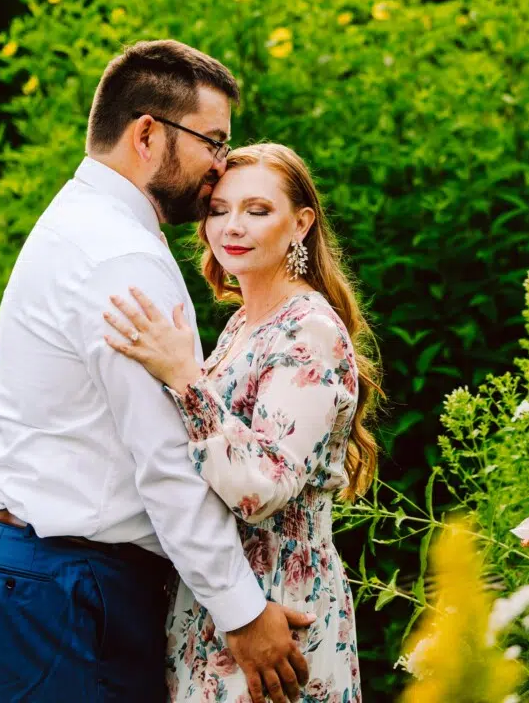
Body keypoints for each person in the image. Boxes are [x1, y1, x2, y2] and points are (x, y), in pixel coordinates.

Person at [0, 40, 313, 703]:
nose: (222, 164)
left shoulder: (83, 223)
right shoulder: (119, 257)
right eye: (214, 142)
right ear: (147, 134)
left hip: (43, 571)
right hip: (71, 583)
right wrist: (242, 612)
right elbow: (167, 458)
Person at [103, 142, 381, 702]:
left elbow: (260, 490)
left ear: (300, 224)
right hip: (221, 597)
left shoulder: (308, 329)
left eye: (257, 210)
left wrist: (186, 378)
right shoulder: (242, 325)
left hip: (280, 603)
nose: (233, 226)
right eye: (219, 210)